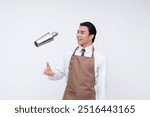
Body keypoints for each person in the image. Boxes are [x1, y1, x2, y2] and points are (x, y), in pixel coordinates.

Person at [43, 21, 107, 100]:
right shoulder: (67, 53)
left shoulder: (100, 58)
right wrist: (51, 73)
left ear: (91, 36)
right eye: (78, 32)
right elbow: (60, 74)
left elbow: (101, 86)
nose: (78, 35)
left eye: (82, 32)